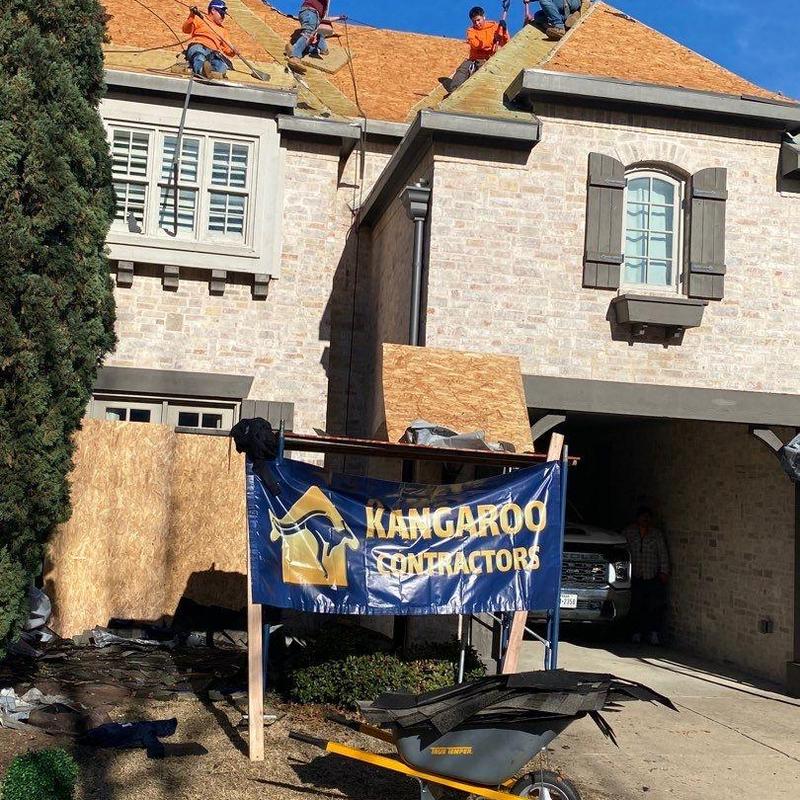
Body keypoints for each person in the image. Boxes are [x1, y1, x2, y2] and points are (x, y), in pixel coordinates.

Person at [623, 506, 670, 646]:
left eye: (647, 517)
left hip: (652, 576)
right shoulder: (629, 533)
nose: (645, 520)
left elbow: (663, 553)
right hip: (636, 576)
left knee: (653, 606)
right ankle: (636, 633)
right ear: (638, 518)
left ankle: (653, 633)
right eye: (642, 517)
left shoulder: (656, 535)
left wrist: (664, 571)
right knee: (636, 605)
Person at [447, 6, 510, 94]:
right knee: (461, 71)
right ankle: (453, 93)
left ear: (484, 17)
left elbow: (506, 43)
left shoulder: (495, 27)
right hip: (474, 59)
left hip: (488, 60)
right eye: (474, 21)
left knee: (481, 75)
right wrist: (492, 41)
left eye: (478, 20)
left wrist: (504, 30)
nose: (477, 23)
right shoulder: (471, 31)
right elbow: (476, 45)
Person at [285, 1, 345, 73]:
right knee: (308, 32)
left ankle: (294, 48)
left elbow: (326, 19)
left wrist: (339, 17)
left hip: (316, 17)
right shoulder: (315, 4)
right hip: (310, 12)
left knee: (323, 50)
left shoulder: (323, 8)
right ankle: (295, 57)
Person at [183, 1, 235, 80]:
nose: (223, 16)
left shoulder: (223, 30)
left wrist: (233, 50)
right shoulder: (199, 19)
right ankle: (202, 70)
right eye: (221, 13)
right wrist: (191, 15)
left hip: (214, 53)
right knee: (199, 56)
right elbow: (186, 30)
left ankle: (209, 72)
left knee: (222, 65)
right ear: (213, 10)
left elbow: (227, 50)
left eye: (224, 14)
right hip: (199, 46)